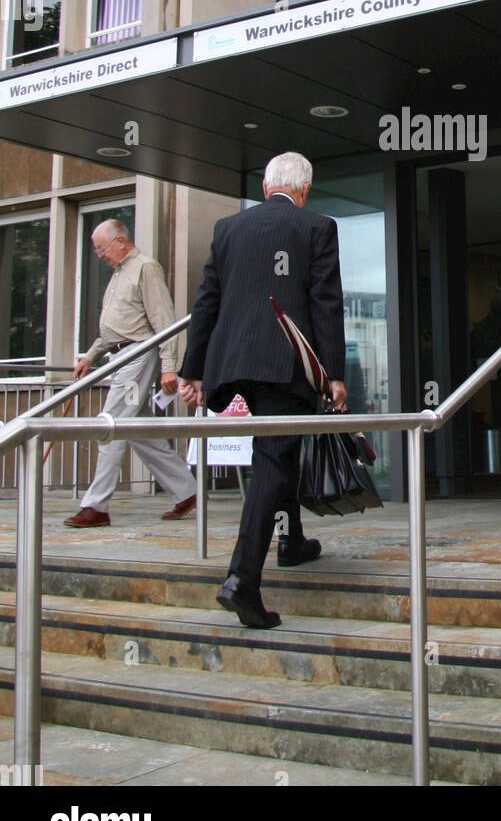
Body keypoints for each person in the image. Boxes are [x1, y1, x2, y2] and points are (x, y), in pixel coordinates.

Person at [178, 151, 346, 629]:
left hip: (234, 364)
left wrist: (194, 370)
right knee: (275, 456)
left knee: (277, 450)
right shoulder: (317, 227)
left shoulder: (229, 229)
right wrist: (333, 373)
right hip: (285, 363)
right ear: (304, 189)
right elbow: (325, 303)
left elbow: (206, 300)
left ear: (268, 184)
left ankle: (290, 539)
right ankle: (242, 579)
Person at [64, 219, 197, 528]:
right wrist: (90, 355)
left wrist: (168, 367)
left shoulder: (145, 268)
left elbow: (164, 320)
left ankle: (96, 506)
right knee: (137, 430)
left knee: (110, 423)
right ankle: (186, 490)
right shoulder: (120, 273)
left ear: (120, 241)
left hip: (138, 355)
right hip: (121, 355)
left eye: (101, 248)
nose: (99, 254)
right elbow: (113, 328)